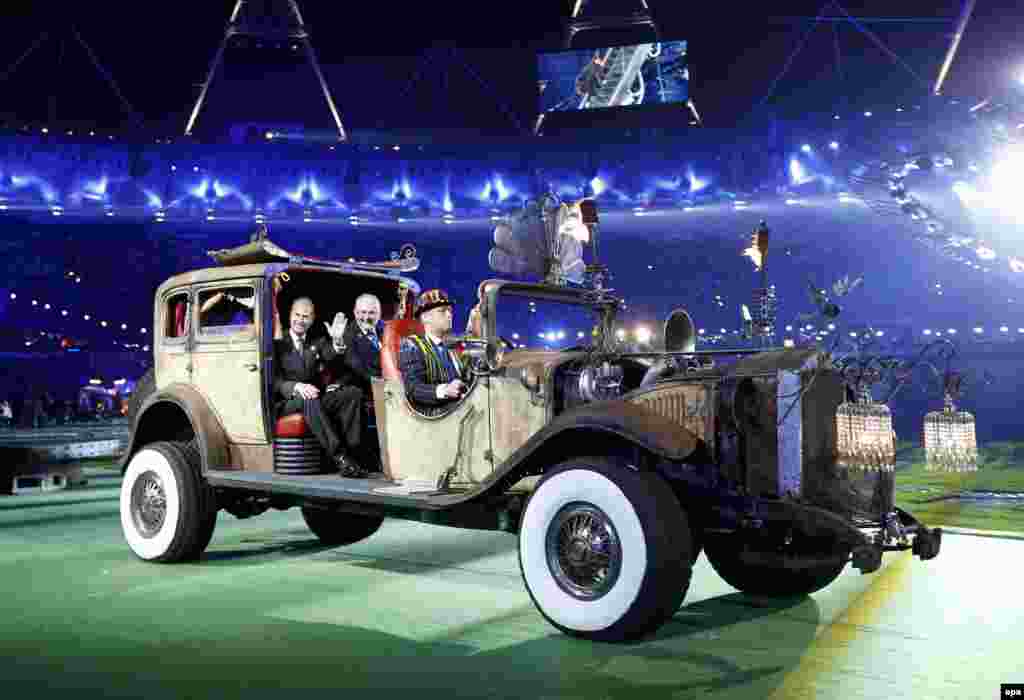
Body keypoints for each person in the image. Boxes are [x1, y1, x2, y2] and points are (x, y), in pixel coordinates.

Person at [272, 297, 370, 478]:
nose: (301, 320)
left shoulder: (317, 341)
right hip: (287, 402)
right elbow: (273, 379)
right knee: (309, 397)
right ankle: (339, 456)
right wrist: (295, 386)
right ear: (290, 315)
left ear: (313, 318)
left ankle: (355, 455)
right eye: (297, 315)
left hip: (314, 398)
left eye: (306, 316)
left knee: (352, 394)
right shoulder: (278, 342)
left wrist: (338, 340)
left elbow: (331, 356)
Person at [399, 289, 469, 417]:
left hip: (458, 410)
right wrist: (445, 390)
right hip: (432, 415)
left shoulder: (453, 349)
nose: (449, 315)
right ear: (425, 317)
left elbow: (467, 378)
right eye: (442, 311)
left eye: (450, 311)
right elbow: (413, 389)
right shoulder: (412, 345)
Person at [343, 293, 384, 393]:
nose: (366, 317)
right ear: (355, 313)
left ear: (379, 314)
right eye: (363, 312)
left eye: (371, 313)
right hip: (367, 388)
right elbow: (358, 369)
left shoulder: (385, 329)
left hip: (394, 383)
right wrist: (383, 383)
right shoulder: (347, 334)